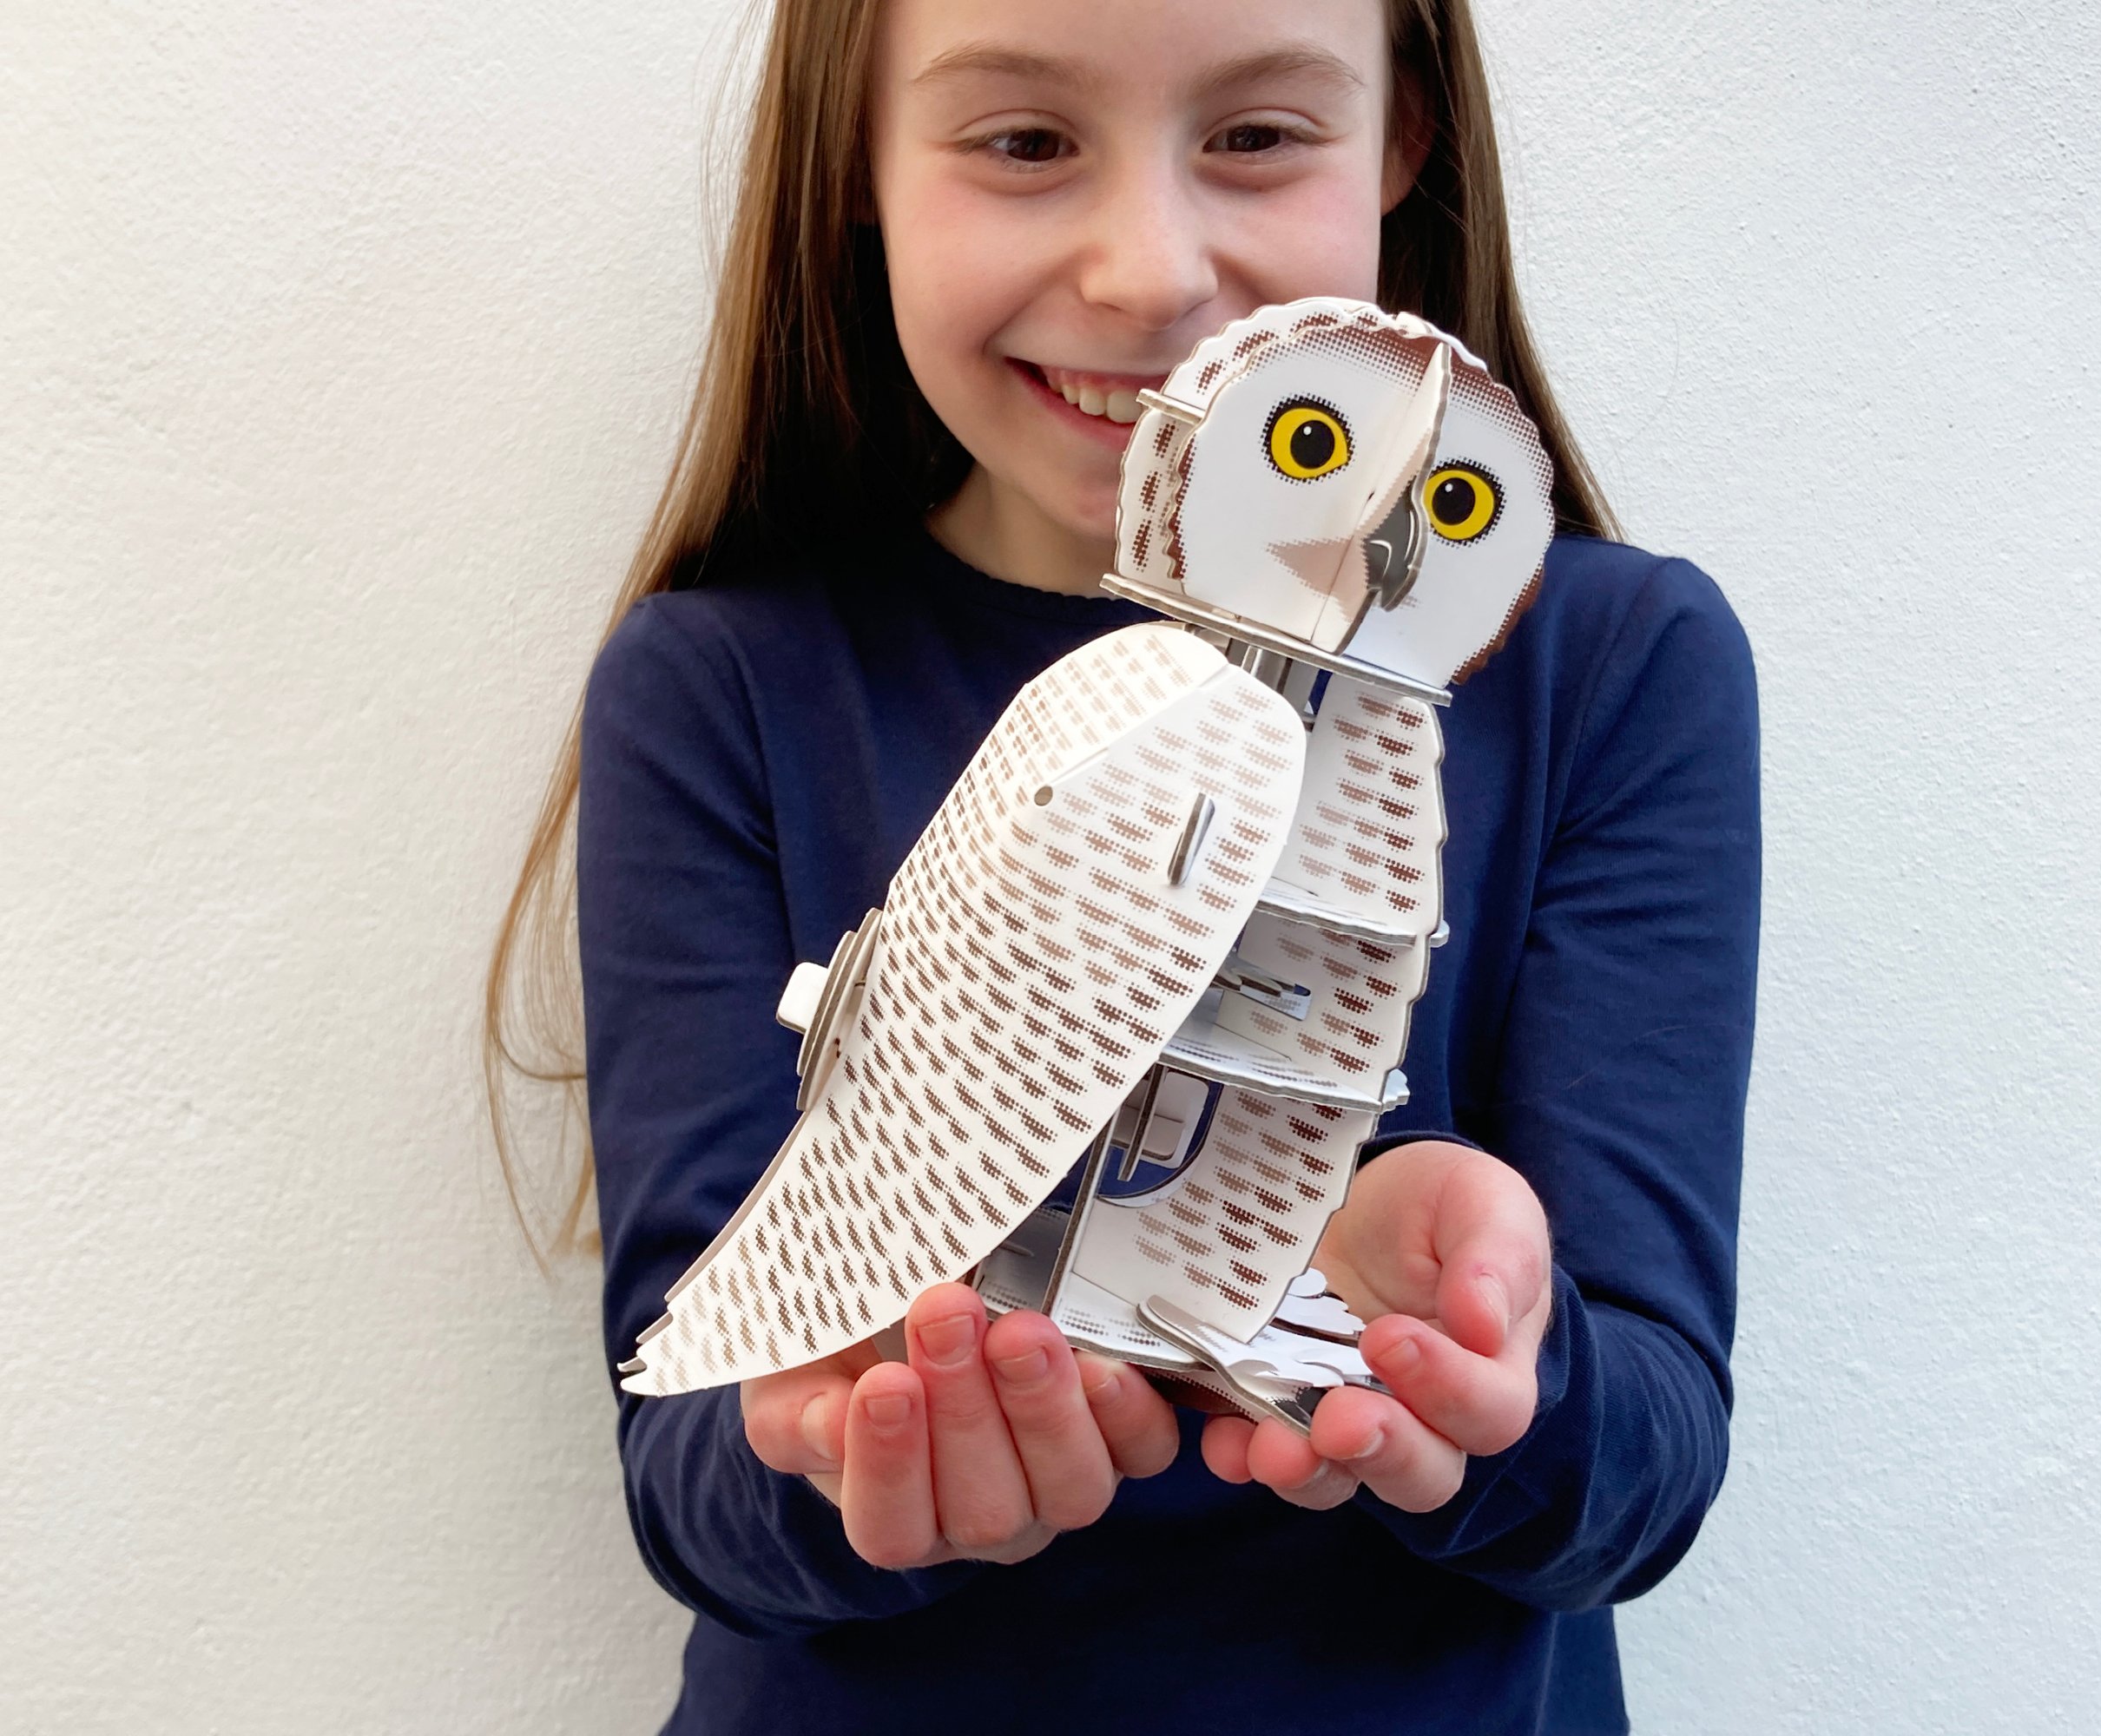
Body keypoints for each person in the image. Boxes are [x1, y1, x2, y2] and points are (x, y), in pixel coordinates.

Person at [486, 1, 1761, 1731]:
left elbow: (1647, 1464)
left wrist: (1471, 1360)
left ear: (1401, 143)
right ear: (850, 163)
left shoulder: (1610, 664)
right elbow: (695, 1464)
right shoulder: (722, 684)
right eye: (1021, 142)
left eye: (1251, 136)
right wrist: (861, 1437)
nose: (1148, 273)